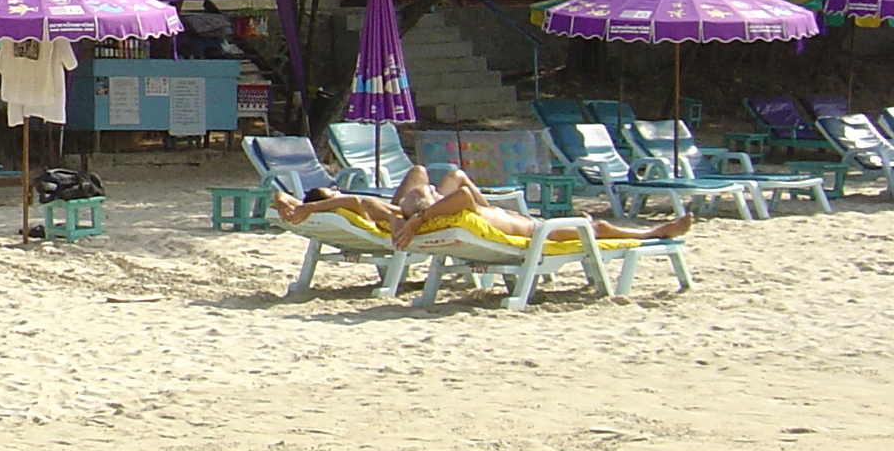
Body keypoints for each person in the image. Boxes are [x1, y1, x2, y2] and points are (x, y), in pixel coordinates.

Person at [275, 164, 693, 249]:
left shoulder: (399, 210)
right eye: (328, 190)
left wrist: (297, 205)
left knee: (430, 170)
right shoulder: (397, 216)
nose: (333, 186)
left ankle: (656, 232)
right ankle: (655, 233)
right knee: (592, 227)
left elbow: (421, 173)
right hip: (521, 232)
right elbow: (353, 200)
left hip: (497, 217)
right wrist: (309, 208)